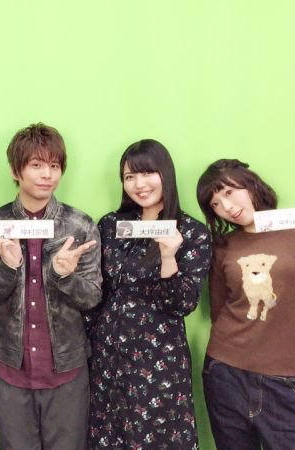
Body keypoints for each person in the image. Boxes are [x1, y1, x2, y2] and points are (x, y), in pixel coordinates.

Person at [0, 123, 101, 449]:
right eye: (37, 165)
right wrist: (8, 267)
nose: (47, 175)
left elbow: (92, 297)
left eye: (54, 166)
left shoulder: (80, 225)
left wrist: (64, 276)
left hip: (66, 370)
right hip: (10, 369)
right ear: (16, 171)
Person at [196, 159, 295, 449]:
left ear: (250, 184)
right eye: (215, 204)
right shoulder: (224, 246)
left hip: (291, 383)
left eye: (230, 192)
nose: (227, 206)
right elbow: (219, 309)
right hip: (226, 374)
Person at [85, 139, 211, 449]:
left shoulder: (191, 232)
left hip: (158, 362)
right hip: (108, 359)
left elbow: (183, 304)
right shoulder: (112, 225)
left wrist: (168, 258)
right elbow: (98, 292)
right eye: (130, 176)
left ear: (165, 174)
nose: (139, 184)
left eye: (147, 173)